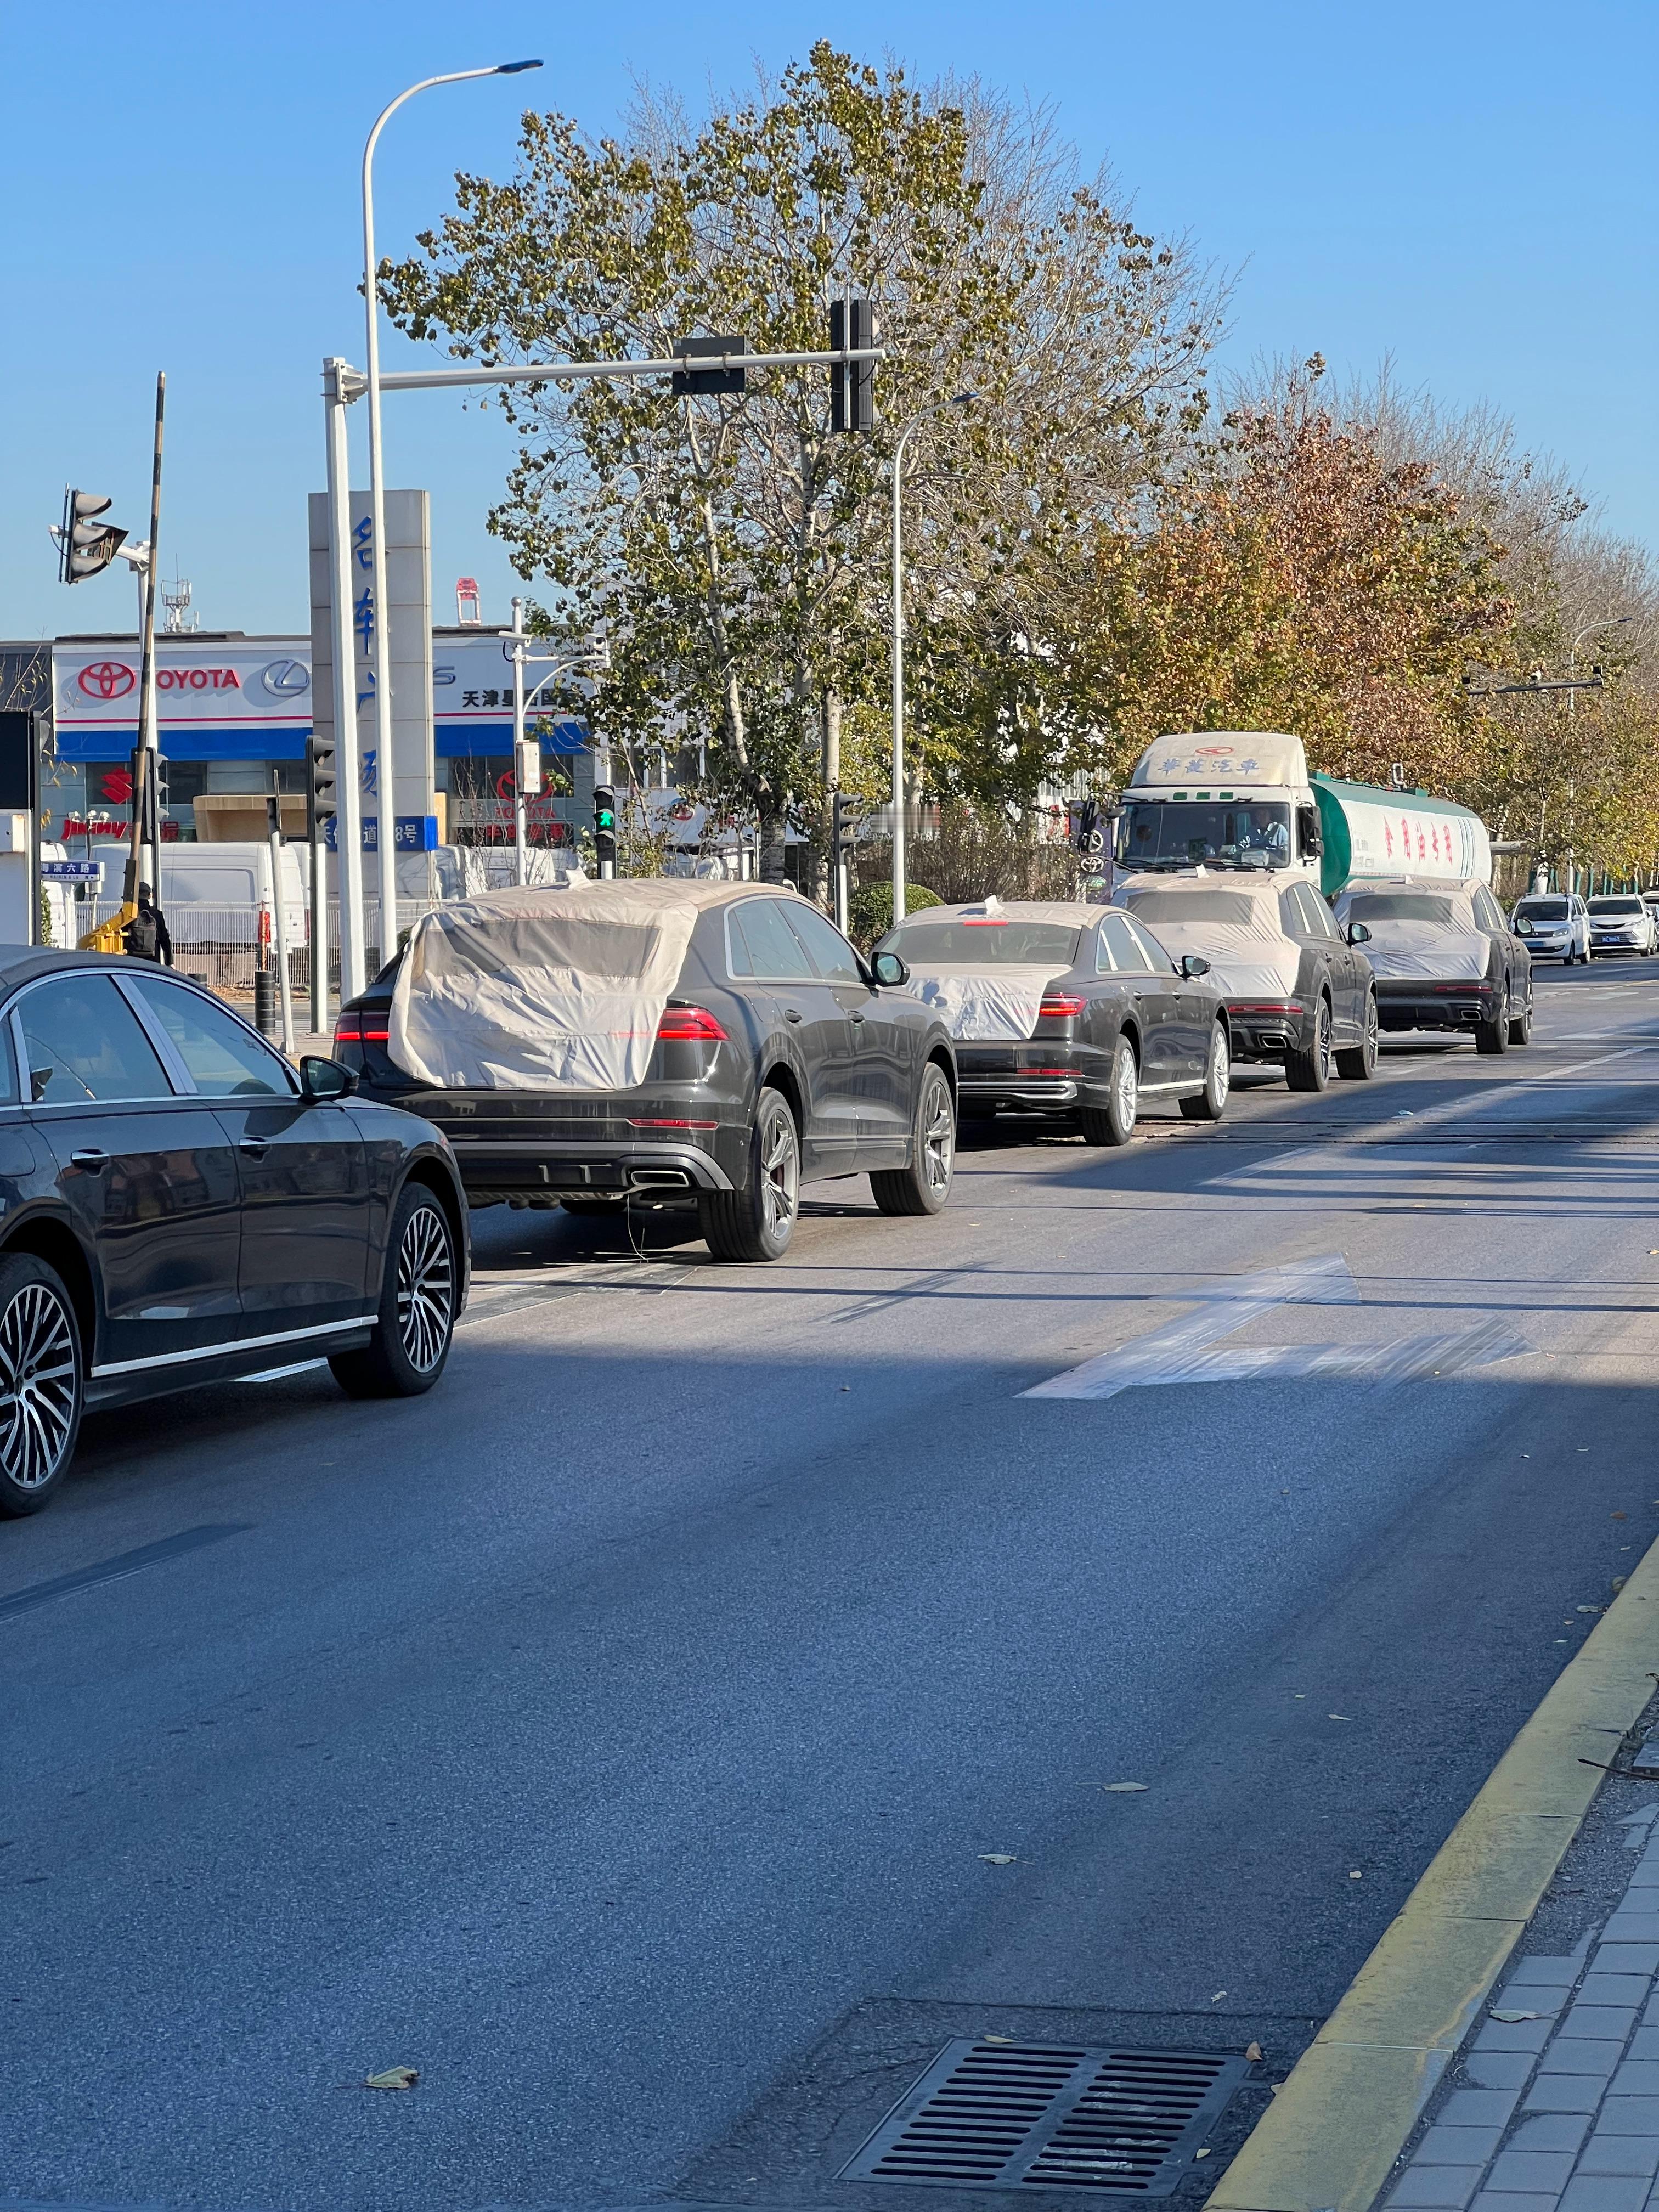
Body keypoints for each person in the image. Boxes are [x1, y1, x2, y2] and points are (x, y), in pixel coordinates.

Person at [121, 882, 173, 966]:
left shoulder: (127, 913)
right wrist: (170, 962)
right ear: (150, 896)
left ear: (135, 895)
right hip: (153, 960)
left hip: (131, 960)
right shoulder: (156, 914)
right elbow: (165, 939)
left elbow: (119, 934)